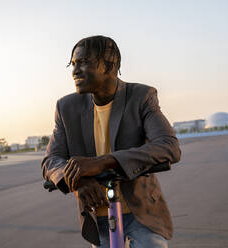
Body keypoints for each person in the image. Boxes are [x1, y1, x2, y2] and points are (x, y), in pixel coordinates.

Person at [42, 35, 181, 248]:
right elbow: (51, 159)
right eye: (74, 64)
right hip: (97, 214)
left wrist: (104, 162)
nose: (75, 71)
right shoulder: (66, 107)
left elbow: (168, 146)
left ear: (110, 65)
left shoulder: (141, 96)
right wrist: (77, 181)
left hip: (142, 211)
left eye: (84, 62)